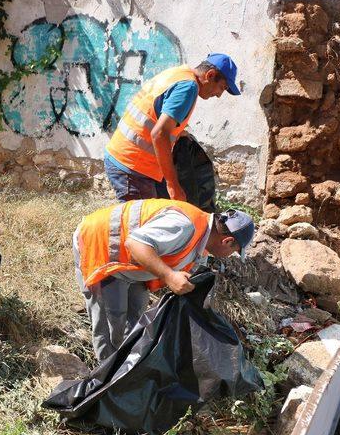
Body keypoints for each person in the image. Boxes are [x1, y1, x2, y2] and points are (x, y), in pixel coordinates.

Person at [73, 198, 254, 362]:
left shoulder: (203, 241)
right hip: (102, 248)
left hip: (131, 264)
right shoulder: (184, 226)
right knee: (113, 324)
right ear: (227, 241)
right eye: (234, 251)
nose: (229, 256)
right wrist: (169, 275)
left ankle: (126, 373)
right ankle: (106, 382)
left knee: (136, 321)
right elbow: (135, 244)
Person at [104, 53, 241, 202]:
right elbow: (159, 133)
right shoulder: (188, 88)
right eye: (222, 87)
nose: (219, 95)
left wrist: (177, 132)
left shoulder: (179, 73)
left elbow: (156, 115)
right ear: (210, 74)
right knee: (143, 223)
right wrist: (173, 185)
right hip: (132, 166)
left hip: (125, 158)